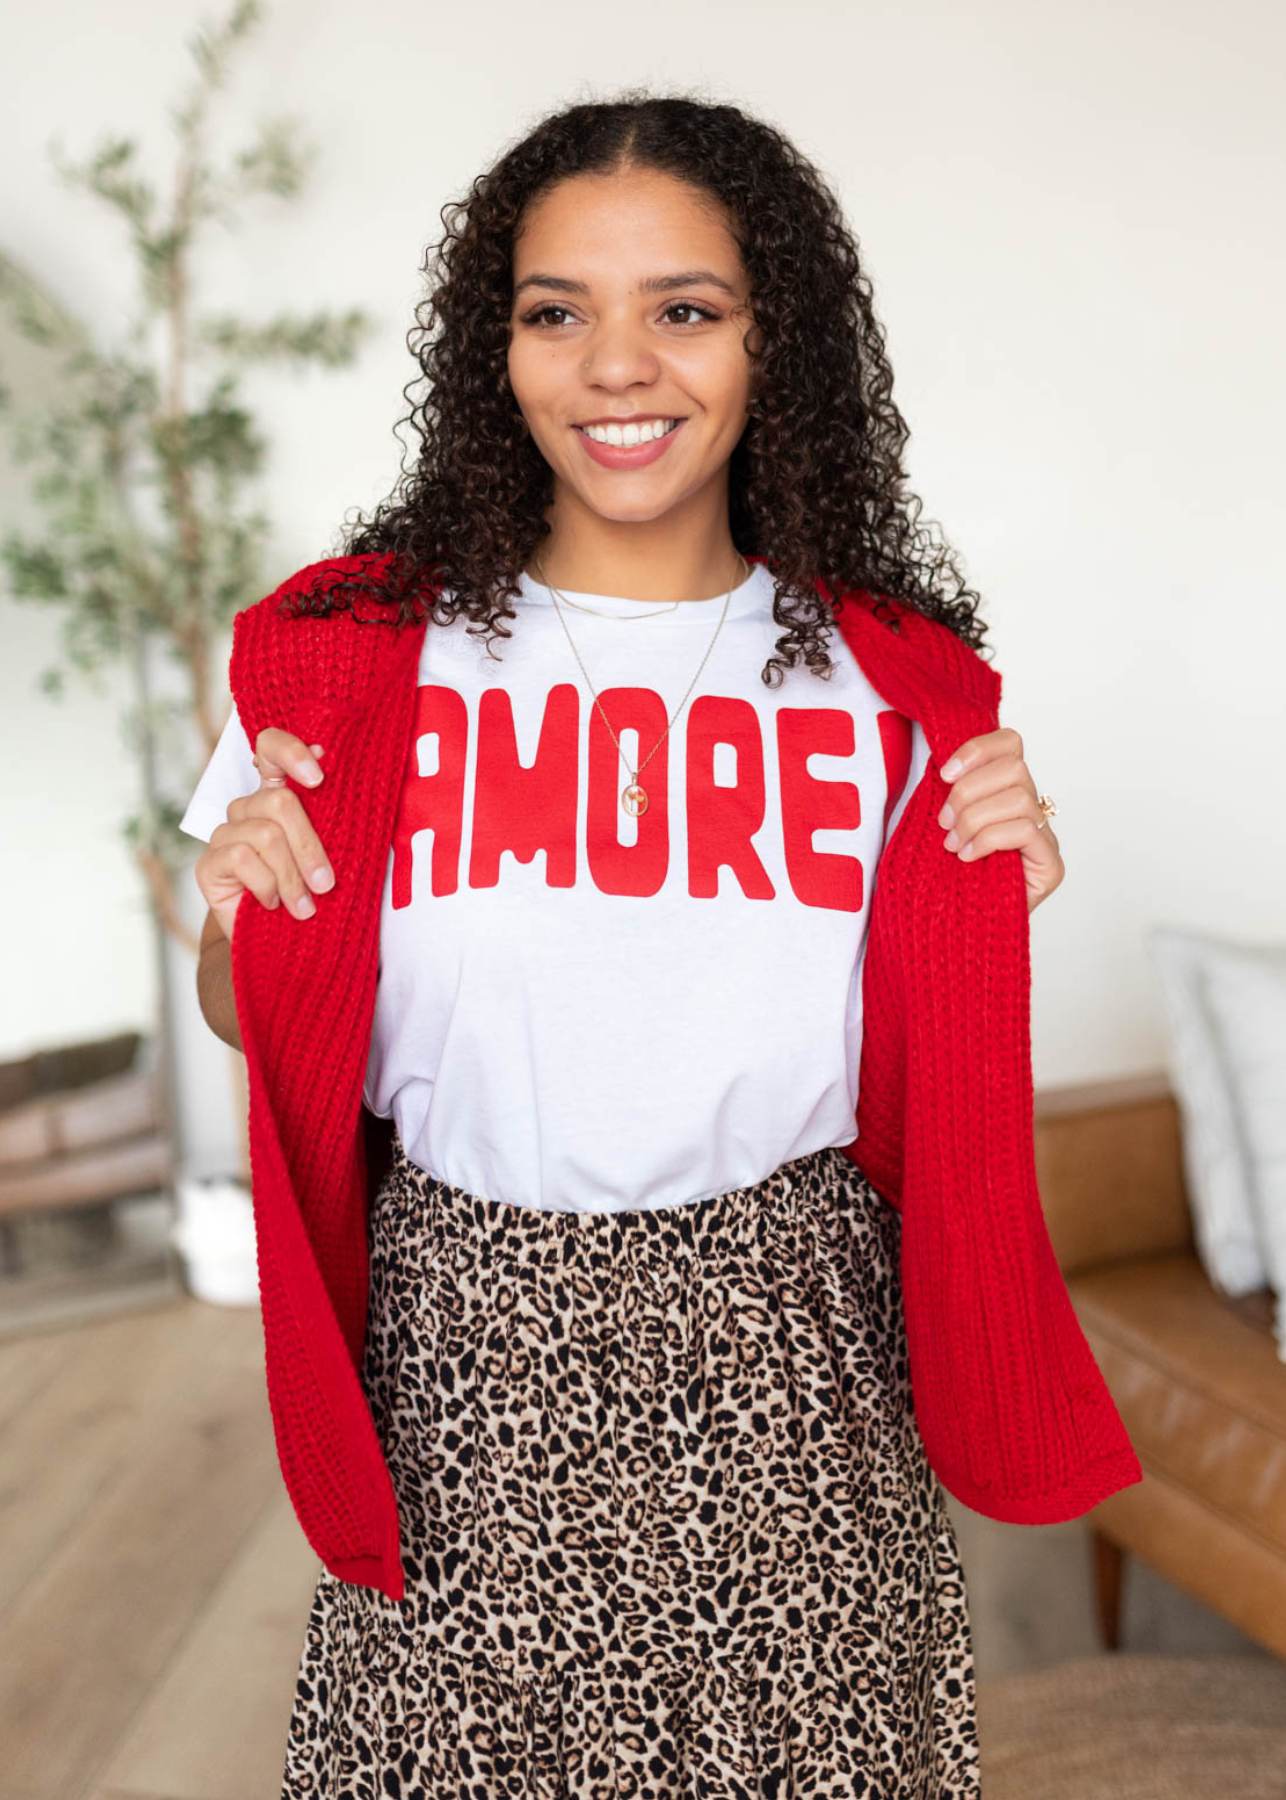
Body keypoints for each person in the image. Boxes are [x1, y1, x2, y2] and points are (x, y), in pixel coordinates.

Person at [180, 93, 1136, 1800]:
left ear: (777, 343)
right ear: (499, 351)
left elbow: (922, 1081)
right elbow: (259, 1019)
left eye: (682, 310)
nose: (617, 367)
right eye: (558, 313)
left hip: (796, 1346)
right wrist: (232, 919)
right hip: (469, 1352)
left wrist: (992, 905)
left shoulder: (897, 689)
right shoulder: (348, 661)